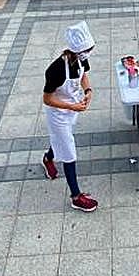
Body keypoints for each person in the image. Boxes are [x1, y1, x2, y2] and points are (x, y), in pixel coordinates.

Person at [41, 21, 99, 212]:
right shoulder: (56, 70)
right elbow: (47, 99)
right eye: (88, 49)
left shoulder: (80, 59)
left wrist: (88, 90)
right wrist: (70, 105)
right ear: (78, 50)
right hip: (58, 113)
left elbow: (83, 76)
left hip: (72, 109)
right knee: (69, 153)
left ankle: (48, 158)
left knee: (61, 140)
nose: (89, 52)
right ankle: (76, 196)